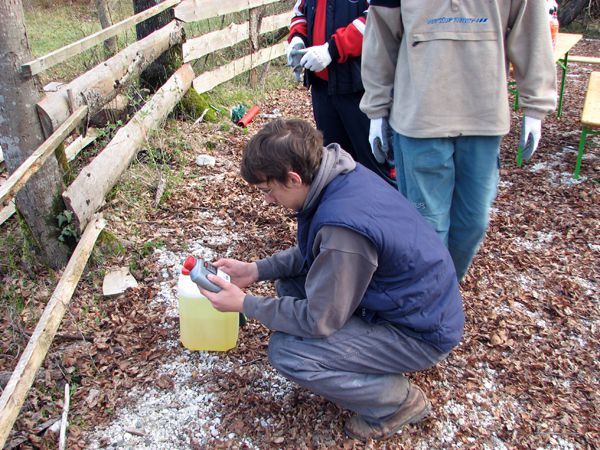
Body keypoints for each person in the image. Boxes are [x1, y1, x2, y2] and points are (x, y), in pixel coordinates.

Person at [198, 119, 464, 441]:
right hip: (409, 305)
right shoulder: (338, 174)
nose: (267, 200)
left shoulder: (343, 230)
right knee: (291, 287)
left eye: (268, 190)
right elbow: (315, 250)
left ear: (294, 178)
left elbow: (318, 319)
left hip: (419, 332)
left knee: (287, 352)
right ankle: (366, 362)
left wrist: (244, 303)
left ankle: (397, 403)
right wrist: (256, 270)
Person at [360, 1, 557, 281]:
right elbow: (380, 34)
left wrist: (536, 105)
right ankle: (430, 298)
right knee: (427, 226)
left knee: (472, 222)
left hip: (483, 114)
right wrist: (376, 110)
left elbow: (532, 30)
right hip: (419, 117)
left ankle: (443, 287)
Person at [285, 0, 396, 185]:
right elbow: (301, 11)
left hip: (361, 86)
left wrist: (333, 48)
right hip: (322, 87)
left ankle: (385, 212)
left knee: (375, 167)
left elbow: (379, 18)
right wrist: (297, 38)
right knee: (334, 166)